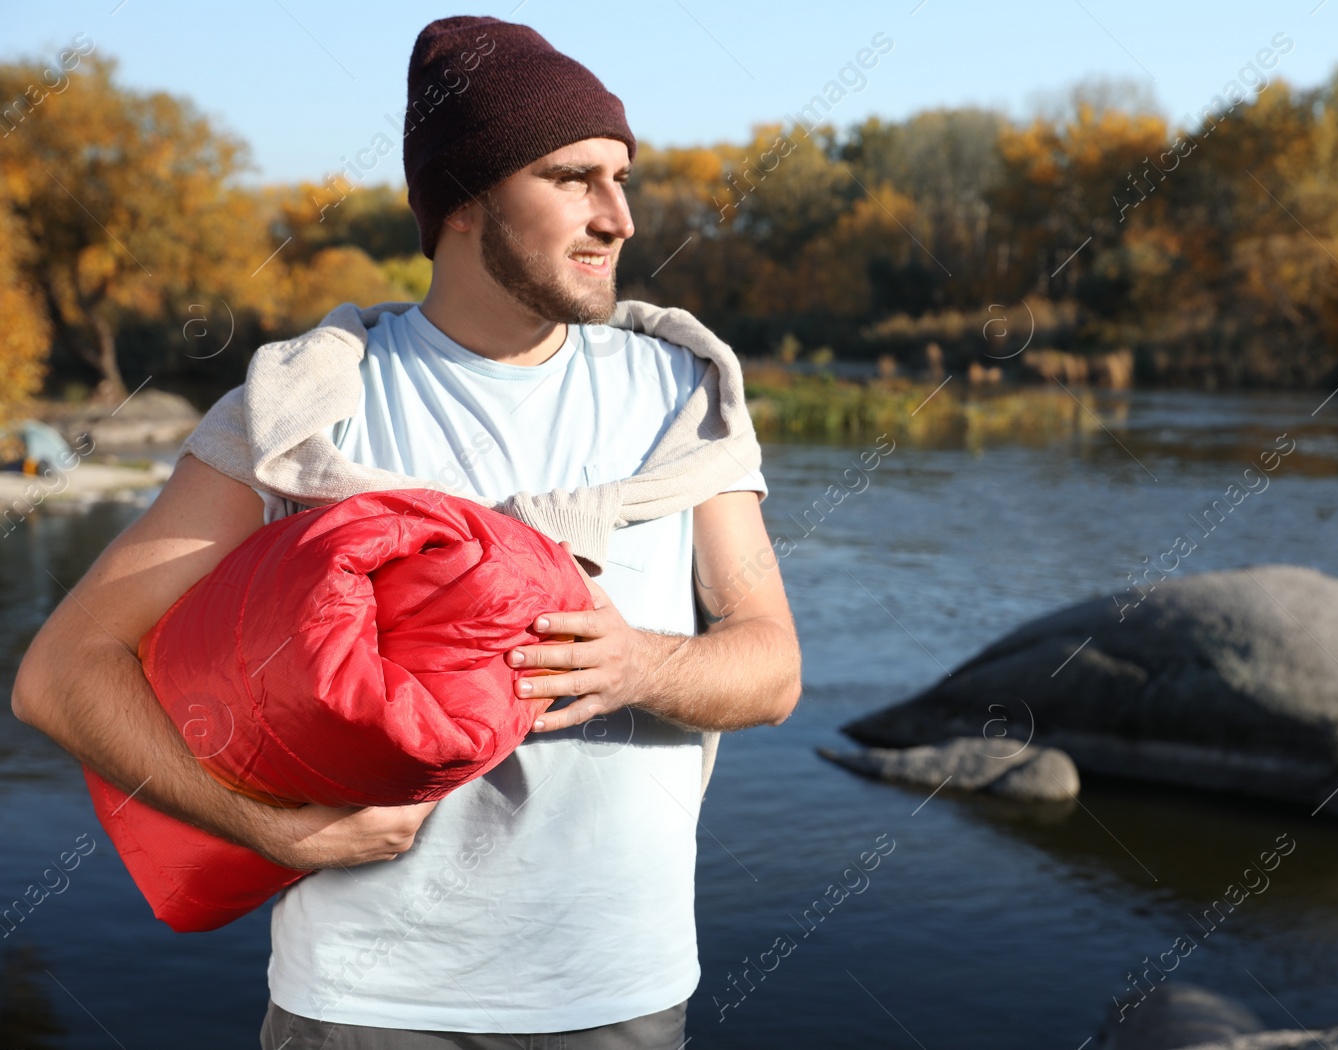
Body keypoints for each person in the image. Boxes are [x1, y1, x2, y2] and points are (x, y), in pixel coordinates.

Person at [11, 15, 801, 1050]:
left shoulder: (680, 401)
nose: (621, 218)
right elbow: (61, 673)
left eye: (622, 178)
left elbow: (772, 668)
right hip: (361, 1008)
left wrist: (634, 666)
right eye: (574, 178)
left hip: (616, 999)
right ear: (466, 199)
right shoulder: (301, 412)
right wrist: (263, 827)